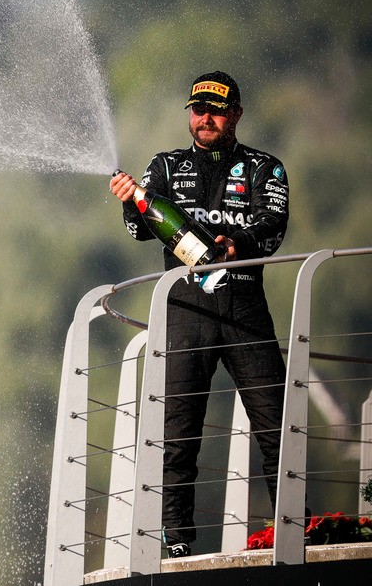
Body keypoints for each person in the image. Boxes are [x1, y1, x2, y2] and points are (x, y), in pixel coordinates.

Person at [109, 71, 289, 558]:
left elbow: (274, 226)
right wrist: (132, 201)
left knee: (278, 426)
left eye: (216, 109)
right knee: (178, 437)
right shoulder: (163, 167)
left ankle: (299, 534)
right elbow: (139, 231)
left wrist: (239, 242)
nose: (205, 118)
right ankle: (178, 545)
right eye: (197, 108)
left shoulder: (264, 168)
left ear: (236, 114)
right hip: (185, 310)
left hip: (245, 308)